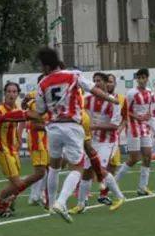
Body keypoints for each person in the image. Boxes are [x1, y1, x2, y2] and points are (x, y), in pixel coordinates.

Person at [34, 48, 119, 223]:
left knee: (54, 167)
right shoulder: (73, 76)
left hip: (53, 128)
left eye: (42, 66)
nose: (42, 69)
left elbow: (41, 111)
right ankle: (60, 202)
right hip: (72, 126)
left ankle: (50, 206)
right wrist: (110, 98)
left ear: (48, 66)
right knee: (77, 168)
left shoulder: (42, 84)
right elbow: (93, 89)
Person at [0, 82, 46, 218]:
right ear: (5, 93)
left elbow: (23, 118)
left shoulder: (16, 108)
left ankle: (2, 206)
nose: (11, 94)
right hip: (1, 150)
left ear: (17, 94)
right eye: (9, 91)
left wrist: (19, 137)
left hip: (12, 150)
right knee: (18, 183)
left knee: (13, 184)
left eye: (14, 91)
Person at [70, 73, 126, 215]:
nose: (96, 83)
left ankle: (120, 197)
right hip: (93, 141)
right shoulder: (87, 99)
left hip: (108, 142)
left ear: (107, 83)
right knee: (87, 172)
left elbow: (114, 125)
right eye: (94, 81)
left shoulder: (114, 102)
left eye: (99, 81)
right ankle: (81, 205)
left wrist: (94, 126)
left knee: (99, 168)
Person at [119, 68, 155, 196]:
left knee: (148, 156)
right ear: (136, 79)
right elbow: (126, 111)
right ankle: (112, 183)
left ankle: (142, 187)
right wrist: (138, 117)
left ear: (147, 79)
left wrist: (148, 116)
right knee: (134, 158)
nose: (141, 80)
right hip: (133, 127)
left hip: (144, 127)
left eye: (143, 78)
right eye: (139, 78)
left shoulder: (150, 92)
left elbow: (148, 109)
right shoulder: (131, 93)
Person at [99, 73, 128, 204]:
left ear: (115, 84)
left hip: (113, 137)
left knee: (113, 165)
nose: (109, 84)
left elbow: (125, 117)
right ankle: (82, 193)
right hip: (98, 138)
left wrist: (120, 129)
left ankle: (103, 193)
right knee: (95, 166)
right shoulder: (98, 98)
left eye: (112, 82)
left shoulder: (121, 99)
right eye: (108, 81)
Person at [20, 76, 49, 207]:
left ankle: (36, 194)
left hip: (47, 137)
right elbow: (28, 109)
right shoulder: (35, 98)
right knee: (41, 170)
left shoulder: (49, 97)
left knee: (46, 169)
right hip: (37, 138)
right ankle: (21, 191)